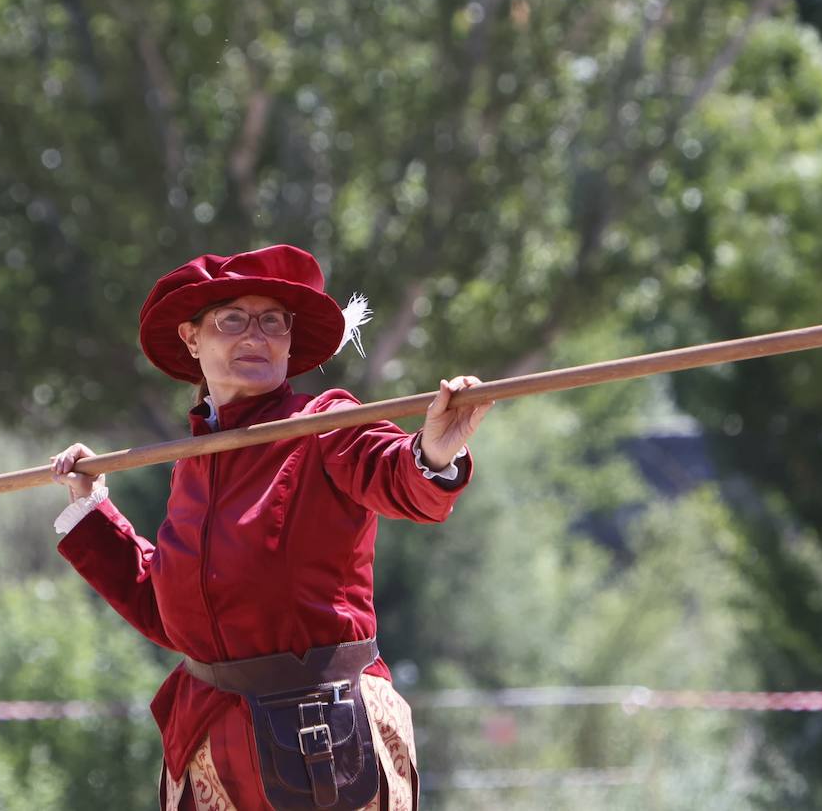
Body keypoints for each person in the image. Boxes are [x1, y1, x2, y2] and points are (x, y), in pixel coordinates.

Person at [51, 244, 492, 811]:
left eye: (272, 322)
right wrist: (90, 509)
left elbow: (397, 474)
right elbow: (174, 616)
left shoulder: (326, 420)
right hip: (208, 742)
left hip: (321, 741)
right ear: (192, 339)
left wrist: (432, 452)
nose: (254, 336)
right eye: (232, 320)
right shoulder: (193, 458)